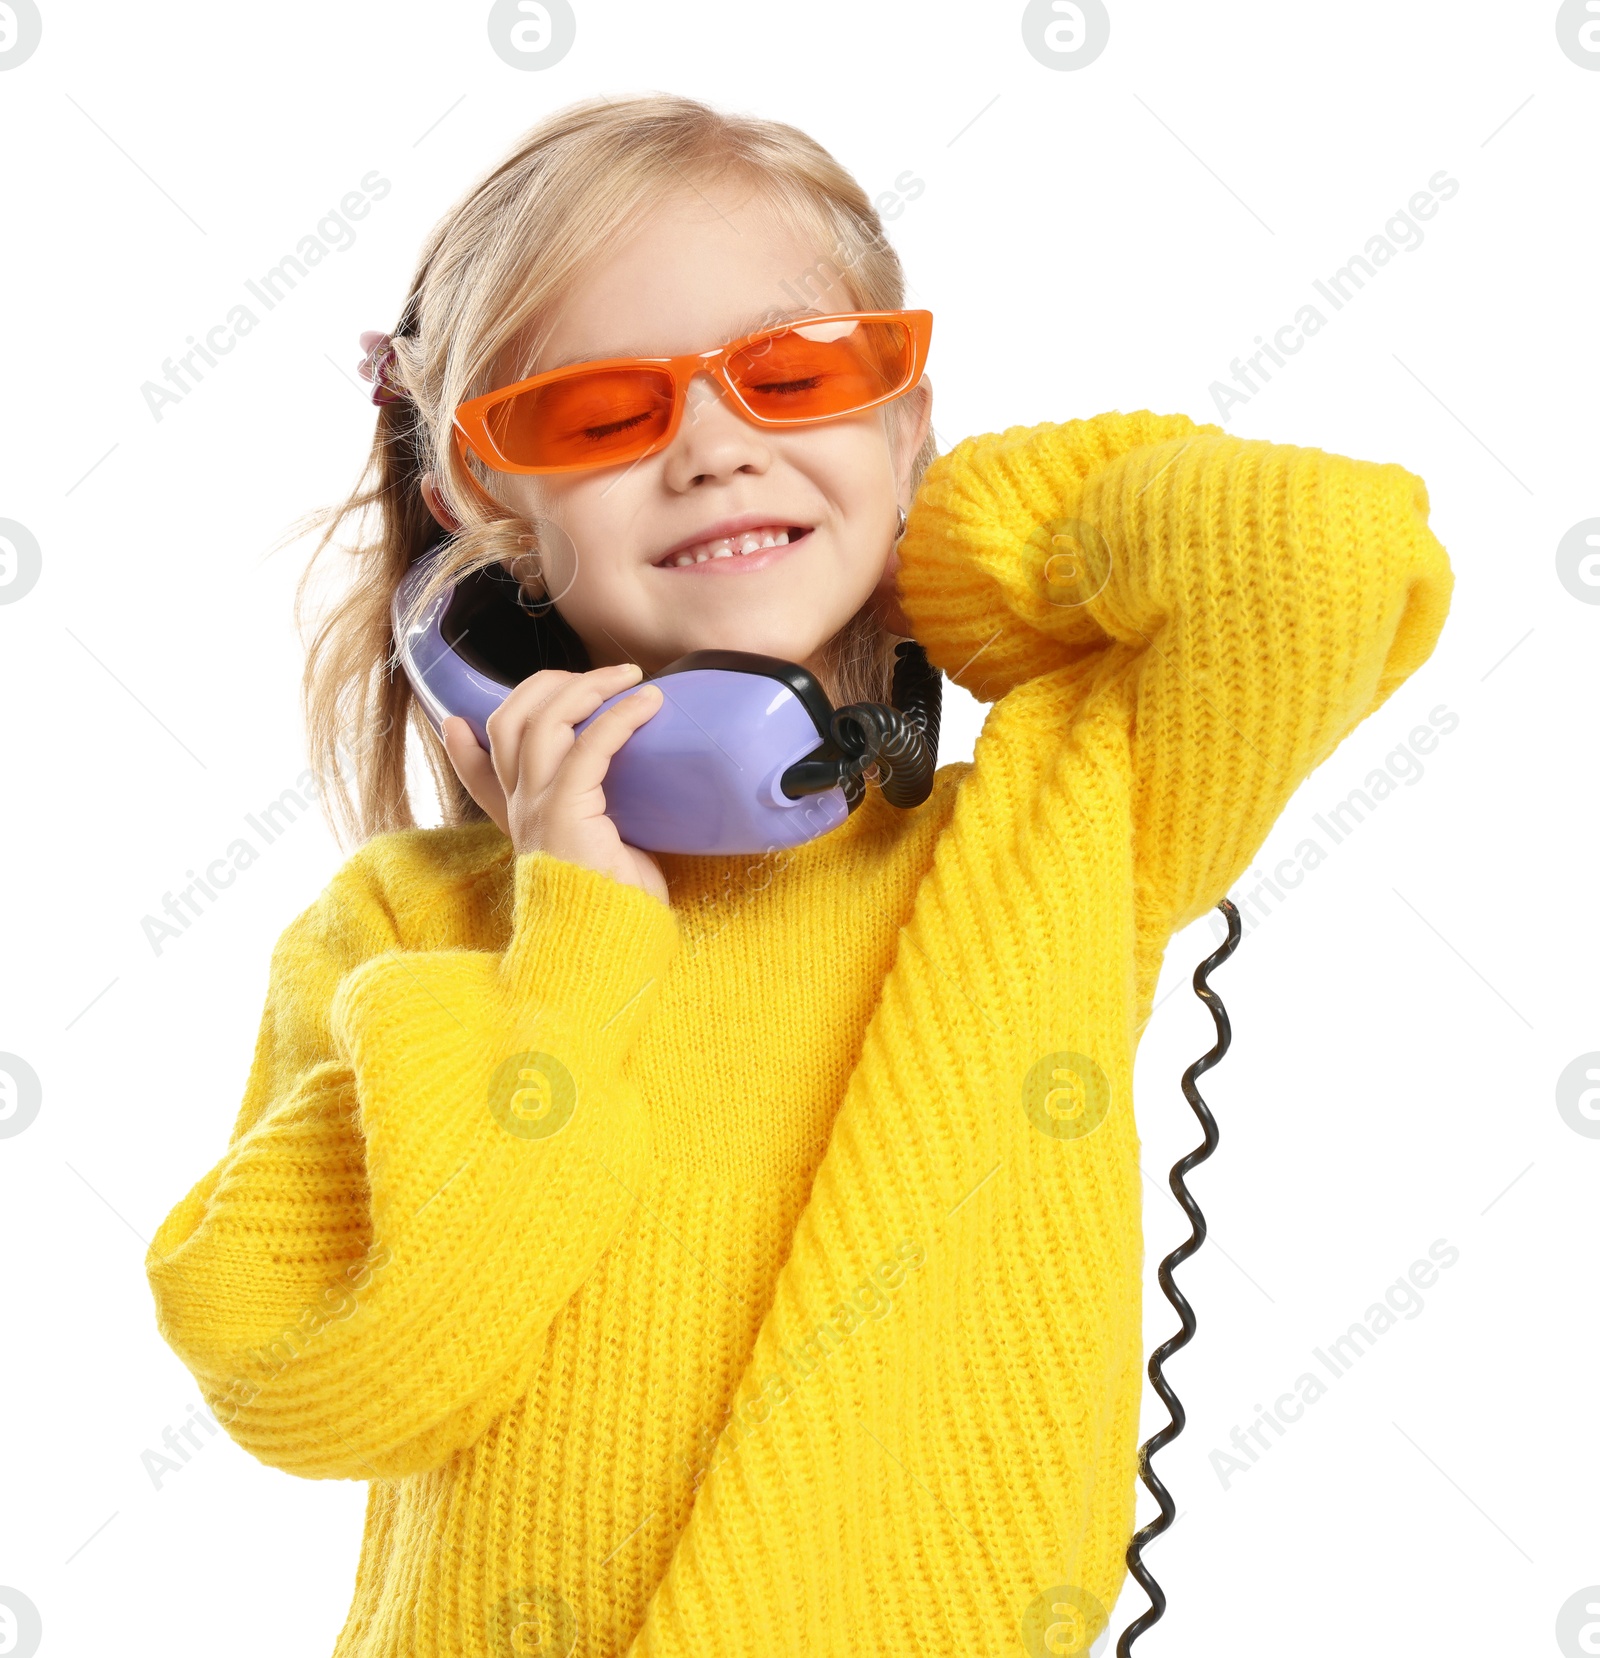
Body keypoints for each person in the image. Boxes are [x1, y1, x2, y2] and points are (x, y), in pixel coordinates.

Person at [143, 92, 1453, 1658]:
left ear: (905, 416)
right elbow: (328, 1380)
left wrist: (948, 540)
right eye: (598, 412)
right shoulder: (409, 933)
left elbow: (1329, 550)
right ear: (482, 504)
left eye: (798, 375)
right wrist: (574, 952)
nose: (713, 449)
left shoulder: (1049, 833)